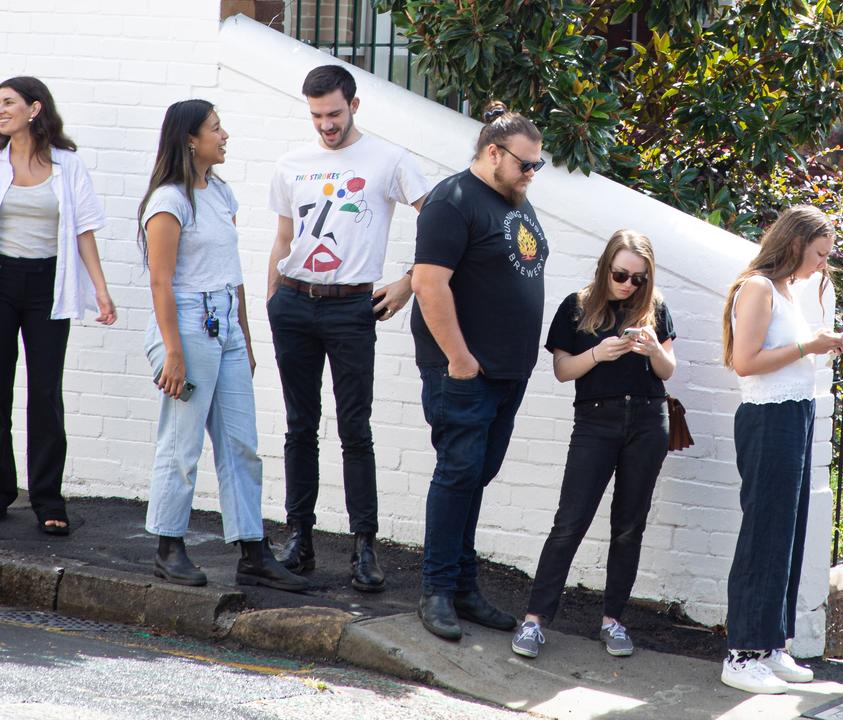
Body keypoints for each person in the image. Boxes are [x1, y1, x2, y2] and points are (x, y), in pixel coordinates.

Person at [266, 64, 431, 592]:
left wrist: (409, 282)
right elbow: (283, 237)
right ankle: (300, 538)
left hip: (351, 307)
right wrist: (272, 298)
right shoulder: (292, 163)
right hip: (293, 301)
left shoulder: (389, 159)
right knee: (299, 424)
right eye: (316, 115)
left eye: (334, 113)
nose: (326, 125)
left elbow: (440, 222)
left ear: (354, 105)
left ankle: (364, 546)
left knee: (355, 428)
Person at [139, 99, 305, 592]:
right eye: (216, 128)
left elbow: (232, 275)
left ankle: (252, 550)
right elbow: (161, 283)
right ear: (191, 139)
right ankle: (168, 548)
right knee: (181, 442)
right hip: (186, 328)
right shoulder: (169, 201)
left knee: (241, 443)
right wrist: (172, 351)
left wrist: (246, 340)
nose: (225, 135)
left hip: (225, 326)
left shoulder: (221, 193)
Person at [410, 100, 548, 641]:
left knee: (477, 476)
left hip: (507, 372)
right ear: (493, 153)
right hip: (465, 372)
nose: (532, 174)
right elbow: (430, 282)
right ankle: (437, 591)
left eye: (538, 164)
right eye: (525, 164)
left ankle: (464, 588)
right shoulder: (453, 200)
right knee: (458, 472)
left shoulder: (513, 197)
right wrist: (459, 358)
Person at [511, 230, 676, 660]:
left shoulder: (654, 307)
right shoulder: (577, 306)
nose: (629, 285)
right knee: (570, 521)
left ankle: (613, 620)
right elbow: (563, 370)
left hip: (647, 418)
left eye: (639, 278)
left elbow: (668, 370)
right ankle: (534, 621)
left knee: (628, 525)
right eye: (621, 275)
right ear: (606, 268)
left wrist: (653, 347)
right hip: (595, 420)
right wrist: (599, 355)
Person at [718, 205, 843, 695]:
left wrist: (818, 345)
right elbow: (744, 361)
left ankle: (770, 644)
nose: (822, 265)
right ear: (794, 244)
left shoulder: (786, 289)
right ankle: (742, 652)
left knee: (788, 533)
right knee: (764, 532)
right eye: (819, 254)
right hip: (769, 418)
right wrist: (808, 347)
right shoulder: (757, 287)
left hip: (794, 414)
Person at [0, 76, 116, 535]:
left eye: (7, 102)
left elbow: (84, 230)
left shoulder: (68, 166)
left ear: (34, 108)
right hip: (2, 278)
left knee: (46, 392)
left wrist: (101, 291)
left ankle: (48, 497)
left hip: (49, 283)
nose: (0, 110)